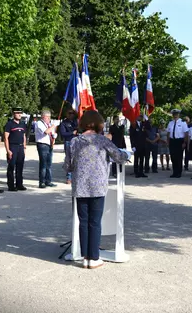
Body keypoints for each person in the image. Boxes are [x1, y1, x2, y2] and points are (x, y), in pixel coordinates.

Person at [63, 110, 130, 269]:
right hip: (97, 187)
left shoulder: (74, 142)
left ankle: (85, 256)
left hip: (80, 186)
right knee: (95, 222)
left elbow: (68, 166)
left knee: (83, 221)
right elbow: (119, 157)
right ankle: (93, 258)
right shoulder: (102, 140)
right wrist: (126, 154)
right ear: (99, 124)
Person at [4, 107, 27, 191]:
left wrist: (24, 147)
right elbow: (6, 137)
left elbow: (24, 136)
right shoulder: (9, 124)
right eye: (17, 113)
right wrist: (8, 150)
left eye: (20, 113)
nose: (19, 114)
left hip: (20, 147)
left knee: (20, 166)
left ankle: (19, 184)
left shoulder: (22, 124)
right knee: (11, 166)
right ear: (14, 114)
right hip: (12, 146)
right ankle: (11, 185)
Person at [35, 110, 58, 188]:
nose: (49, 118)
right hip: (42, 145)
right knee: (43, 164)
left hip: (49, 145)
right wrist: (53, 126)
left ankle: (48, 181)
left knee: (49, 164)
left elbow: (52, 134)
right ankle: (42, 182)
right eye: (47, 117)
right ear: (43, 116)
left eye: (49, 117)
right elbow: (46, 132)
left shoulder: (50, 124)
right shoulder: (39, 123)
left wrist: (54, 136)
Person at [167, 109, 189, 178]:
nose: (175, 115)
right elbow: (168, 133)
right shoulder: (170, 123)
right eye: (174, 114)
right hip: (172, 141)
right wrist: (168, 142)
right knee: (173, 157)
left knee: (179, 157)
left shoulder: (183, 123)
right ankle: (174, 172)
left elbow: (186, 133)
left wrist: (184, 142)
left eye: (176, 114)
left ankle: (179, 172)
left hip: (179, 141)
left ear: (179, 115)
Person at [60, 109, 79, 184]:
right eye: (70, 113)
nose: (71, 115)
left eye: (73, 113)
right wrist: (72, 132)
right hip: (68, 142)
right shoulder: (64, 123)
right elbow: (63, 133)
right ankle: (69, 177)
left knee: (77, 159)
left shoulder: (76, 122)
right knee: (69, 159)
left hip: (77, 141)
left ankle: (76, 176)